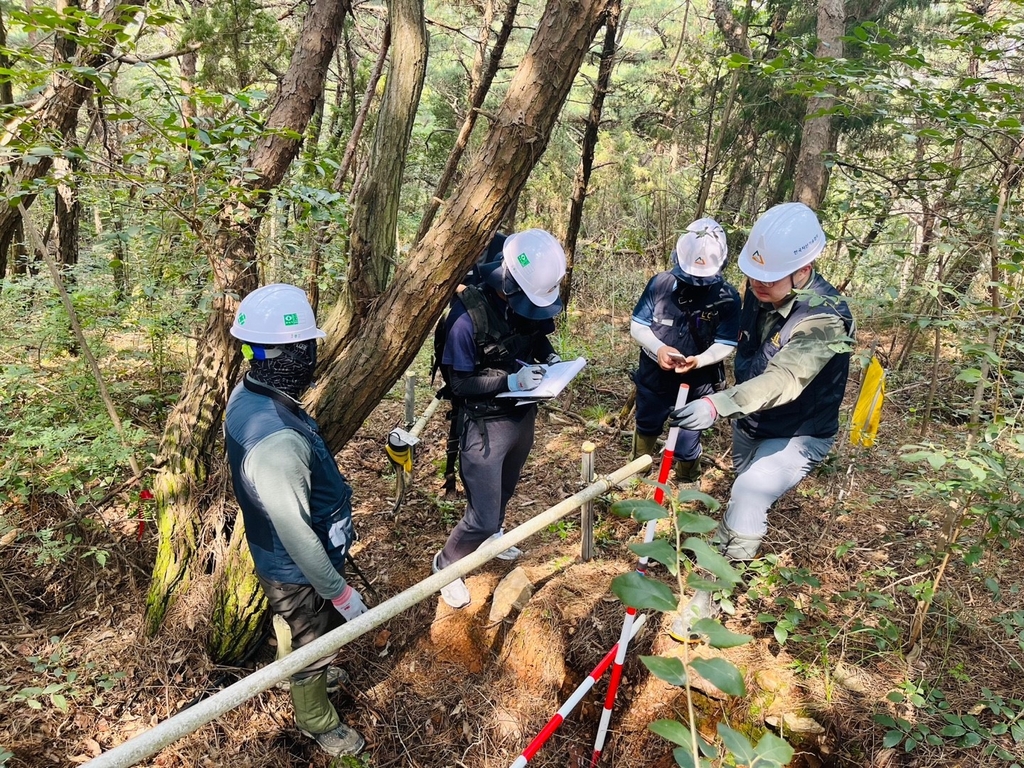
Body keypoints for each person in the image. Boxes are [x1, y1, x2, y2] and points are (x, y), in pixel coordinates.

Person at [667, 202, 855, 638]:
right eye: (752, 274)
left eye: (768, 278)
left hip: (799, 432)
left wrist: (717, 405)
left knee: (749, 492)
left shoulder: (825, 316)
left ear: (804, 268)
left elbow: (785, 377)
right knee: (743, 488)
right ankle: (737, 549)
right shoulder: (760, 287)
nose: (756, 285)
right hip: (751, 423)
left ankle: (706, 601)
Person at [224, 283, 367, 757]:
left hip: (282, 558)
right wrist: (340, 592)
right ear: (288, 354)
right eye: (306, 348)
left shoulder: (250, 393)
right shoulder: (276, 440)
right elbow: (297, 534)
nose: (312, 358)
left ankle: (311, 673)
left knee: (301, 625)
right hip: (295, 565)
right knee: (314, 636)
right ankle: (316, 718)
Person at [432, 228, 566, 609]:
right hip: (484, 425)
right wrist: (509, 379)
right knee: (483, 515)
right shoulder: (465, 319)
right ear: (507, 284)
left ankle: (492, 539)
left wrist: (551, 359)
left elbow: (536, 333)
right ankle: (446, 566)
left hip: (521, 415)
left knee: (504, 492)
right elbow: (459, 383)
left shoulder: (523, 302)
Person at [629, 218, 740, 483]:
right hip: (654, 377)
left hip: (698, 383)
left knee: (688, 439)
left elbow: (726, 341)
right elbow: (638, 325)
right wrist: (659, 349)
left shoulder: (729, 297)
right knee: (646, 426)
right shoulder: (660, 284)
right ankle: (636, 476)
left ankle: (687, 482)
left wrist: (700, 361)